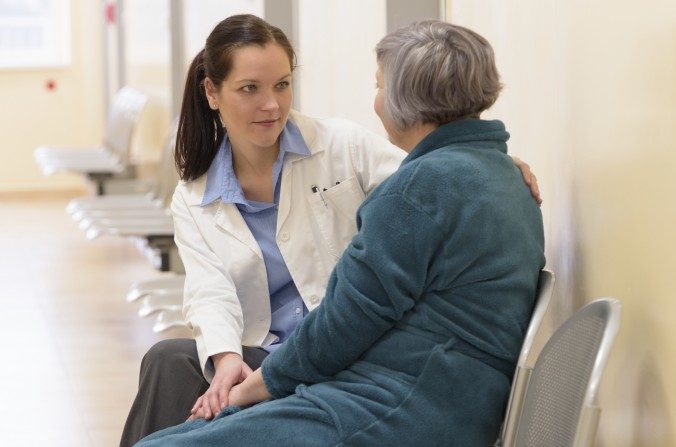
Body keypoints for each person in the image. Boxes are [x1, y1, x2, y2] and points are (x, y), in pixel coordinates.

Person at [121, 15, 542, 446]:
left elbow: (429, 184)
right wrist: (227, 360)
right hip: (307, 352)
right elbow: (210, 291)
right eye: (251, 88)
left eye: (282, 85)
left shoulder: (352, 150)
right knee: (169, 363)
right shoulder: (195, 195)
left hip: (349, 356)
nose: (272, 105)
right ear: (212, 92)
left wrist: (498, 159)